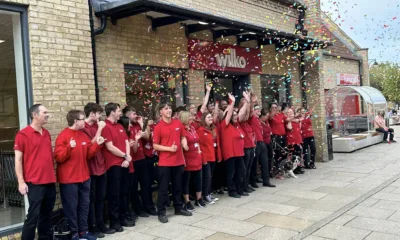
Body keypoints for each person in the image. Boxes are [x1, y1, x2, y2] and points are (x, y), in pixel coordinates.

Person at [54, 110, 103, 240]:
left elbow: (88, 154)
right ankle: (74, 233)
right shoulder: (63, 136)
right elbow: (58, 157)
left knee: (84, 206)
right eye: (82, 119)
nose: (84, 121)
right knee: (71, 207)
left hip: (84, 177)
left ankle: (84, 231)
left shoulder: (82, 135)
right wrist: (69, 147)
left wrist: (97, 144)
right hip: (69, 180)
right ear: (75, 121)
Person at [15, 104, 56, 240]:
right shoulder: (23, 135)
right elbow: (18, 160)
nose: (47, 115)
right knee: (33, 216)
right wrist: (21, 181)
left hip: (49, 180)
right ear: (35, 115)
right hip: (35, 182)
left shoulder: (46, 133)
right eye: (44, 112)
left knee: (47, 215)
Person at [153, 102, 192, 223]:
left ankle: (178, 208)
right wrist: (169, 149)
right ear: (161, 112)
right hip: (165, 163)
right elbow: (155, 145)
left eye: (169, 108)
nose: (169, 110)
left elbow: (183, 136)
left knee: (177, 187)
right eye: (166, 108)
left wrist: (184, 143)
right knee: (163, 189)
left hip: (178, 161)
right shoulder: (158, 127)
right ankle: (161, 212)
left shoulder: (177, 123)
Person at [82, 103, 115, 237]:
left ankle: (101, 223)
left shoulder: (97, 125)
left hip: (101, 166)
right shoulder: (82, 127)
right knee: (91, 199)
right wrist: (100, 129)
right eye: (99, 113)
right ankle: (93, 226)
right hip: (90, 168)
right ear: (92, 114)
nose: (100, 116)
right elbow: (91, 145)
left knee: (101, 197)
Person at [101, 103, 134, 232]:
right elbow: (109, 146)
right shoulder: (105, 127)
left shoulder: (120, 125)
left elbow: (126, 142)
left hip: (124, 162)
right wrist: (125, 155)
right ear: (112, 112)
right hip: (113, 164)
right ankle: (114, 221)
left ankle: (123, 216)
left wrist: (127, 157)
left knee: (124, 192)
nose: (120, 113)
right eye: (119, 111)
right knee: (114, 193)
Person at [123, 107, 156, 217]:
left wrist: (142, 125)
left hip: (142, 159)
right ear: (127, 115)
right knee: (134, 187)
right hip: (132, 161)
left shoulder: (137, 125)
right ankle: (138, 209)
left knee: (146, 184)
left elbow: (147, 138)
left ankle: (149, 207)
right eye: (133, 114)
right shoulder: (125, 128)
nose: (136, 116)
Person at [220, 93, 247, 198]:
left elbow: (242, 113)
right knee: (231, 173)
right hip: (230, 153)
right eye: (234, 116)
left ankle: (240, 189)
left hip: (239, 153)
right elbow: (229, 113)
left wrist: (247, 102)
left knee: (241, 171)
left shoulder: (237, 125)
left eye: (236, 116)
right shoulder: (225, 125)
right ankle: (232, 191)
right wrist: (232, 102)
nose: (236, 117)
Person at [179, 111, 207, 210]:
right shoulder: (181, 130)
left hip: (196, 157)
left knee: (199, 179)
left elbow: (197, 141)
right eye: (189, 117)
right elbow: (183, 145)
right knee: (186, 180)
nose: (191, 118)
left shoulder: (192, 128)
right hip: (187, 157)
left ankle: (199, 198)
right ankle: (187, 201)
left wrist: (199, 150)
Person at [249, 100, 275, 187]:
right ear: (253, 111)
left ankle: (266, 180)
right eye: (257, 109)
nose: (259, 111)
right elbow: (249, 111)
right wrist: (251, 102)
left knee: (265, 162)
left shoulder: (258, 120)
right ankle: (252, 181)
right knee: (254, 163)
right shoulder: (252, 119)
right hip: (256, 143)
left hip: (262, 143)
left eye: (259, 109)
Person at [238, 96, 256, 192]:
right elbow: (243, 114)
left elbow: (249, 113)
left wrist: (250, 102)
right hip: (244, 147)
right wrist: (247, 102)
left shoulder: (247, 122)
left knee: (249, 167)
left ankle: (246, 184)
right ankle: (242, 186)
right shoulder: (239, 119)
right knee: (244, 169)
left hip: (250, 146)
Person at [269, 102, 291, 178]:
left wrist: (291, 114)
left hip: (283, 137)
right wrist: (273, 112)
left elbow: (288, 119)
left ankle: (283, 170)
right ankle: (277, 172)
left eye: (276, 107)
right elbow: (270, 118)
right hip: (276, 137)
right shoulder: (271, 115)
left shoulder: (281, 115)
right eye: (273, 107)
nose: (274, 109)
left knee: (284, 153)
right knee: (277, 154)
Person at [285, 108, 304, 175]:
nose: (290, 113)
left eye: (291, 112)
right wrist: (291, 119)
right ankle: (292, 169)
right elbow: (289, 128)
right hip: (291, 141)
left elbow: (300, 127)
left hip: (298, 140)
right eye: (288, 112)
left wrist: (299, 120)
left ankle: (298, 168)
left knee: (299, 155)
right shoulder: (287, 121)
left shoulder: (296, 120)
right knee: (292, 156)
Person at [259, 108, 273, 177]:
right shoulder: (260, 123)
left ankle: (269, 172)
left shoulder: (266, 122)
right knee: (264, 159)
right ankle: (263, 174)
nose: (268, 117)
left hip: (269, 141)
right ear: (262, 116)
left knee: (270, 157)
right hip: (263, 143)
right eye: (267, 116)